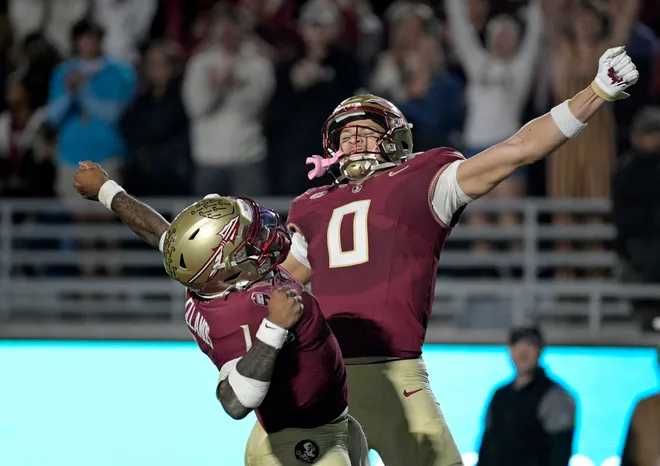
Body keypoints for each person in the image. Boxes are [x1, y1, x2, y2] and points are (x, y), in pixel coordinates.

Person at [278, 45, 639, 466]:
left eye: (367, 128)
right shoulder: (311, 205)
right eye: (345, 132)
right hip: (325, 373)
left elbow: (518, 149)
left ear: (395, 139)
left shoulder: (425, 177)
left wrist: (595, 91)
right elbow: (281, 288)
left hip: (396, 372)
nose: (354, 137)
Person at [71, 163, 369, 466]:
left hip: (325, 426)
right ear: (228, 272)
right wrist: (274, 328)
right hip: (303, 444)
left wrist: (107, 191)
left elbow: (160, 234)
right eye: (248, 241)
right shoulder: (242, 311)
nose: (264, 235)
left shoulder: (205, 274)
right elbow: (235, 400)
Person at [476, 326, 575, 466]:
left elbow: (559, 452)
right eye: (517, 346)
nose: (523, 352)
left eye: (529, 345)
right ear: (510, 350)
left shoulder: (554, 395)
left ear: (540, 351)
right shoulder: (500, 395)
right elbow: (487, 446)